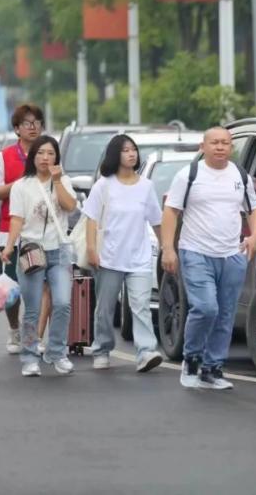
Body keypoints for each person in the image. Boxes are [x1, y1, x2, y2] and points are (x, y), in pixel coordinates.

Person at [161, 127, 256, 390]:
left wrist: (255, 235)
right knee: (206, 308)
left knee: (225, 314)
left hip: (232, 254)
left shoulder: (240, 175)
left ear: (231, 148)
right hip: (196, 252)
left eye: (225, 143)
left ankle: (212, 369)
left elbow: (254, 208)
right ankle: (192, 360)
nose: (220, 147)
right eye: (214, 142)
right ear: (202, 147)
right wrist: (168, 248)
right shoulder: (189, 175)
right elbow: (171, 211)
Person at [84, 134, 164, 372]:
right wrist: (91, 249)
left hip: (139, 258)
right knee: (105, 309)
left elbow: (157, 221)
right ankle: (102, 349)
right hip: (108, 258)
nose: (131, 154)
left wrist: (167, 248)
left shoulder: (146, 186)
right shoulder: (103, 185)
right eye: (126, 150)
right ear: (115, 155)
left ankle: (146, 352)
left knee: (140, 306)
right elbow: (91, 219)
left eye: (133, 150)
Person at [0, 135, 78, 376]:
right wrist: (9, 246)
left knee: (63, 303)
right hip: (32, 251)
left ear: (57, 157)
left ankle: (57, 353)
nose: (45, 158)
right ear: (33, 157)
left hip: (59, 252)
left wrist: (58, 180)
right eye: (41, 153)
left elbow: (70, 206)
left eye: (51, 153)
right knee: (32, 308)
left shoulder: (63, 180)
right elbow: (17, 219)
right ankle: (30, 357)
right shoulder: (21, 186)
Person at [0, 104, 48, 354]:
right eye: (27, 123)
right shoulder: (5, 157)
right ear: (17, 129)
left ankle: (35, 335)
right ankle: (14, 329)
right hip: (10, 232)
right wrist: (21, 184)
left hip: (43, 233)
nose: (33, 127)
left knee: (41, 286)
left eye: (37, 123)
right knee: (11, 284)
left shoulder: (48, 153)